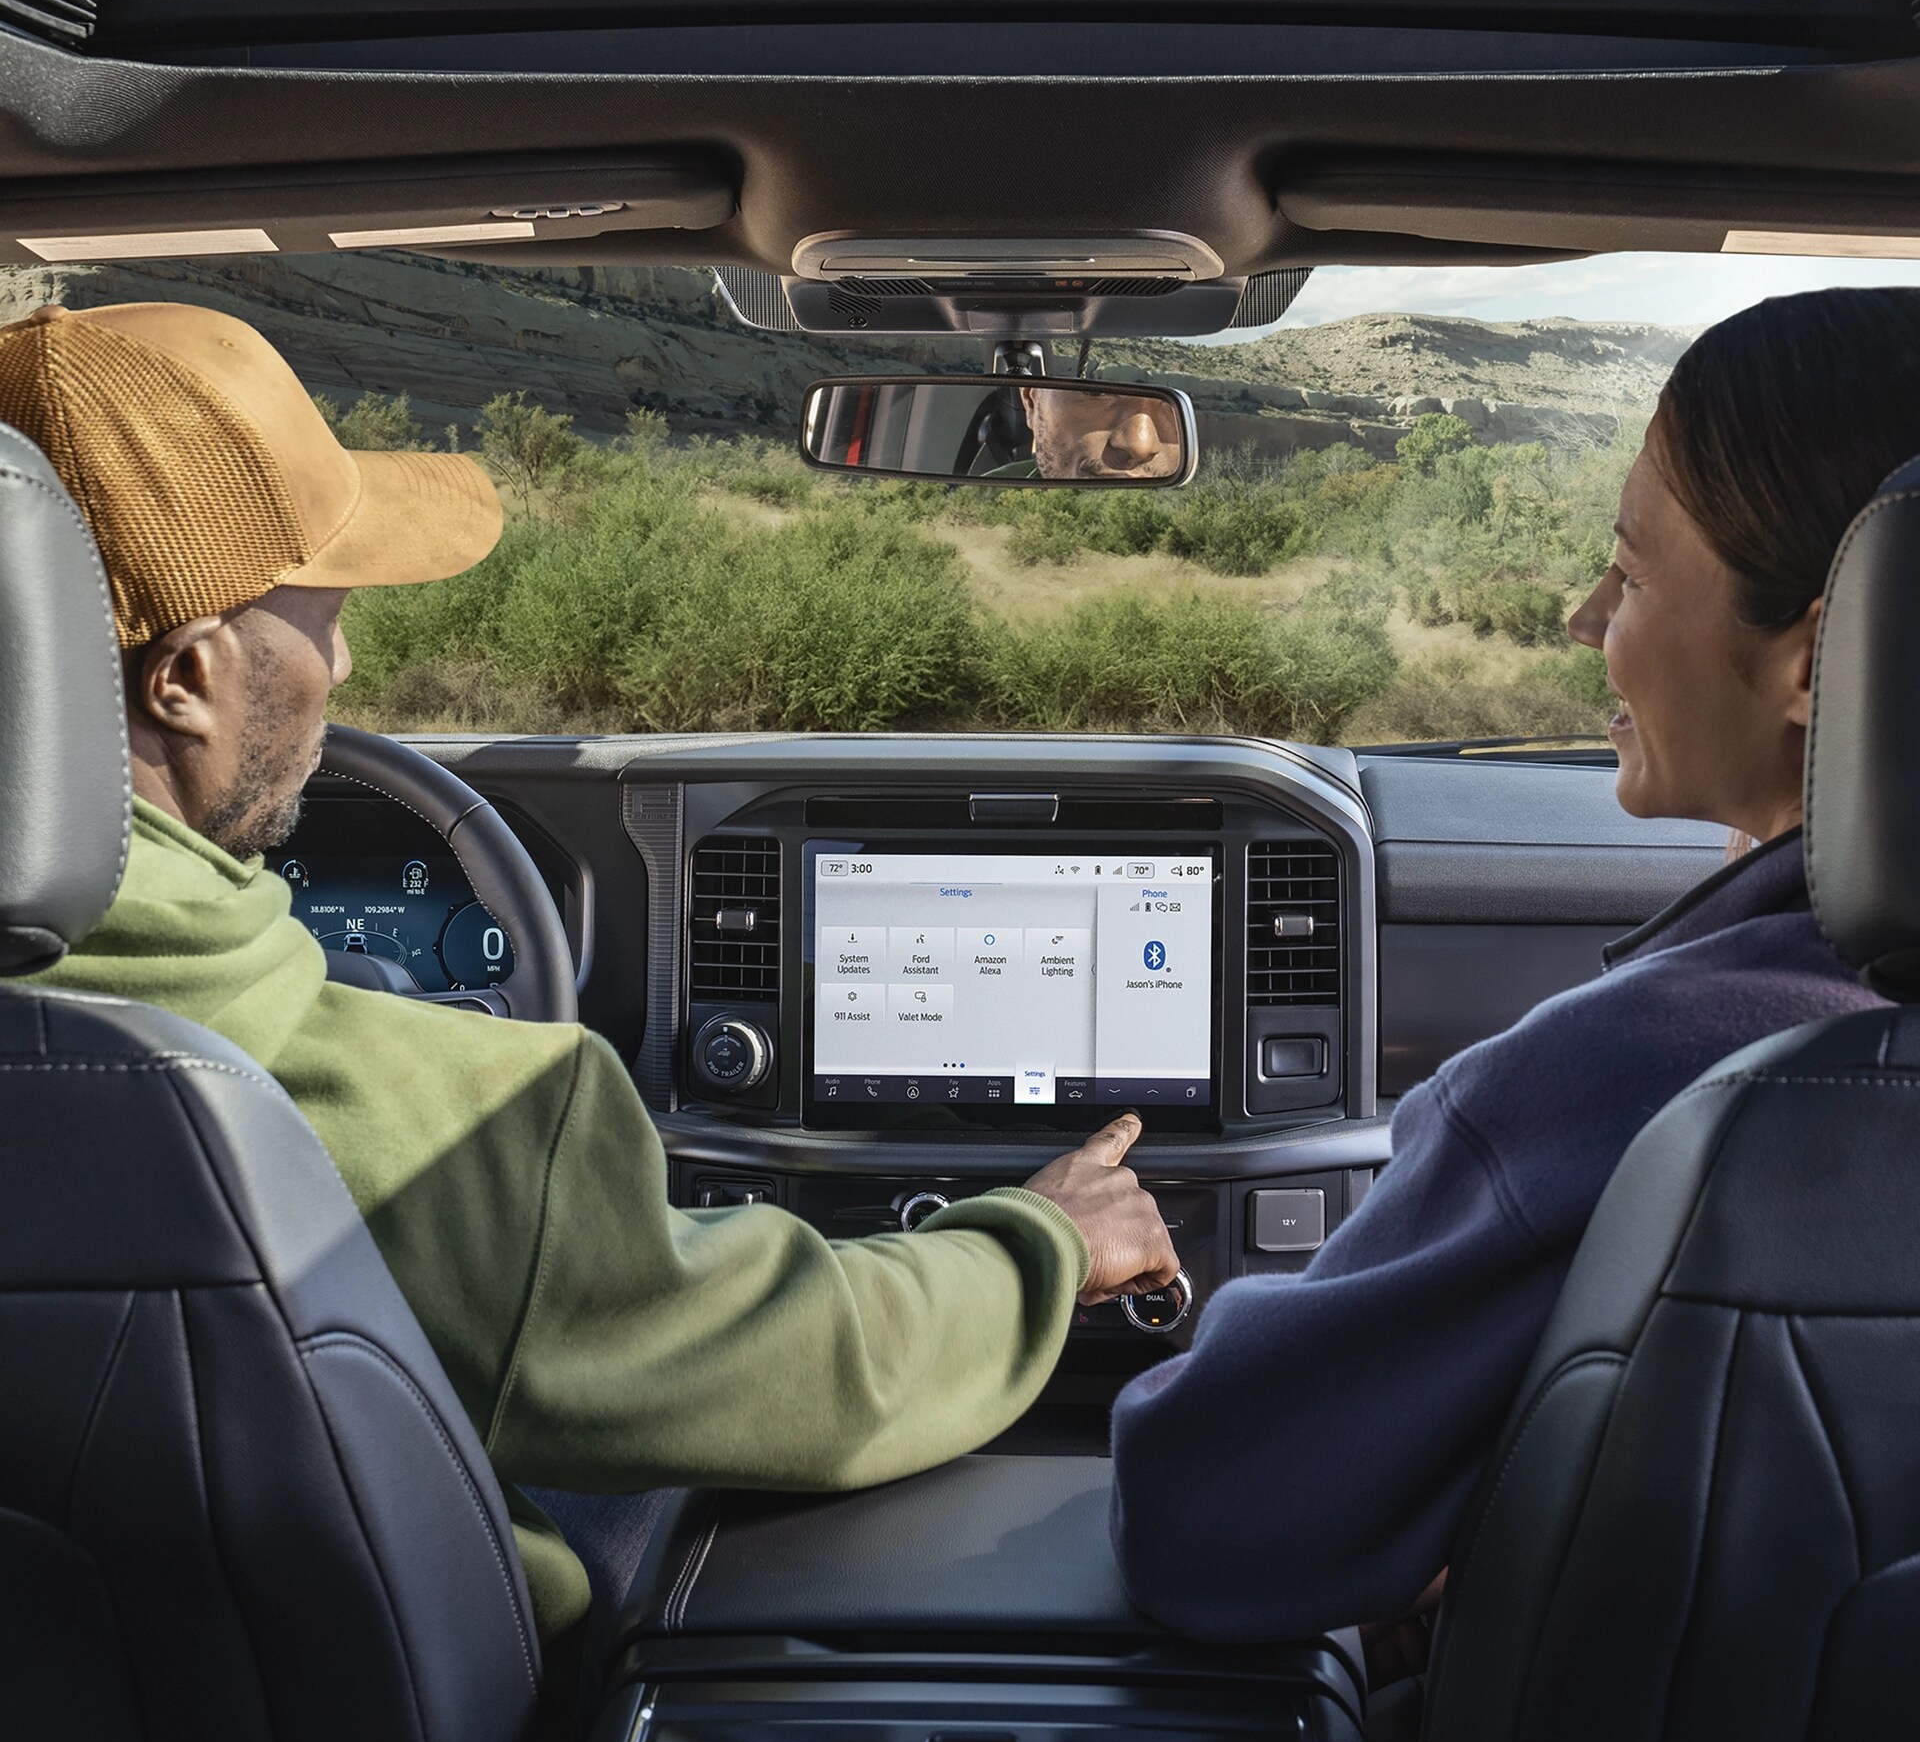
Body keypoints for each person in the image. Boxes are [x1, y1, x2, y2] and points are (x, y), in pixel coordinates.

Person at [8, 299, 1180, 1668]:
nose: (344, 662)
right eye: (319, 613)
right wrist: (1037, 1243)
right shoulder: (461, 1124)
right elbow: (799, 1373)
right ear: (190, 680)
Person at [1110, 288, 1919, 1653]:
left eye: (1632, 572)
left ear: (1815, 656)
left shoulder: (1644, 1075)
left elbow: (1207, 1512)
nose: (1578, 612)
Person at [987, 384, 1186, 480]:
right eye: (1097, 392)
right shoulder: (979, 498)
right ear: (1032, 403)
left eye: (1172, 405)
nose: (1140, 445)